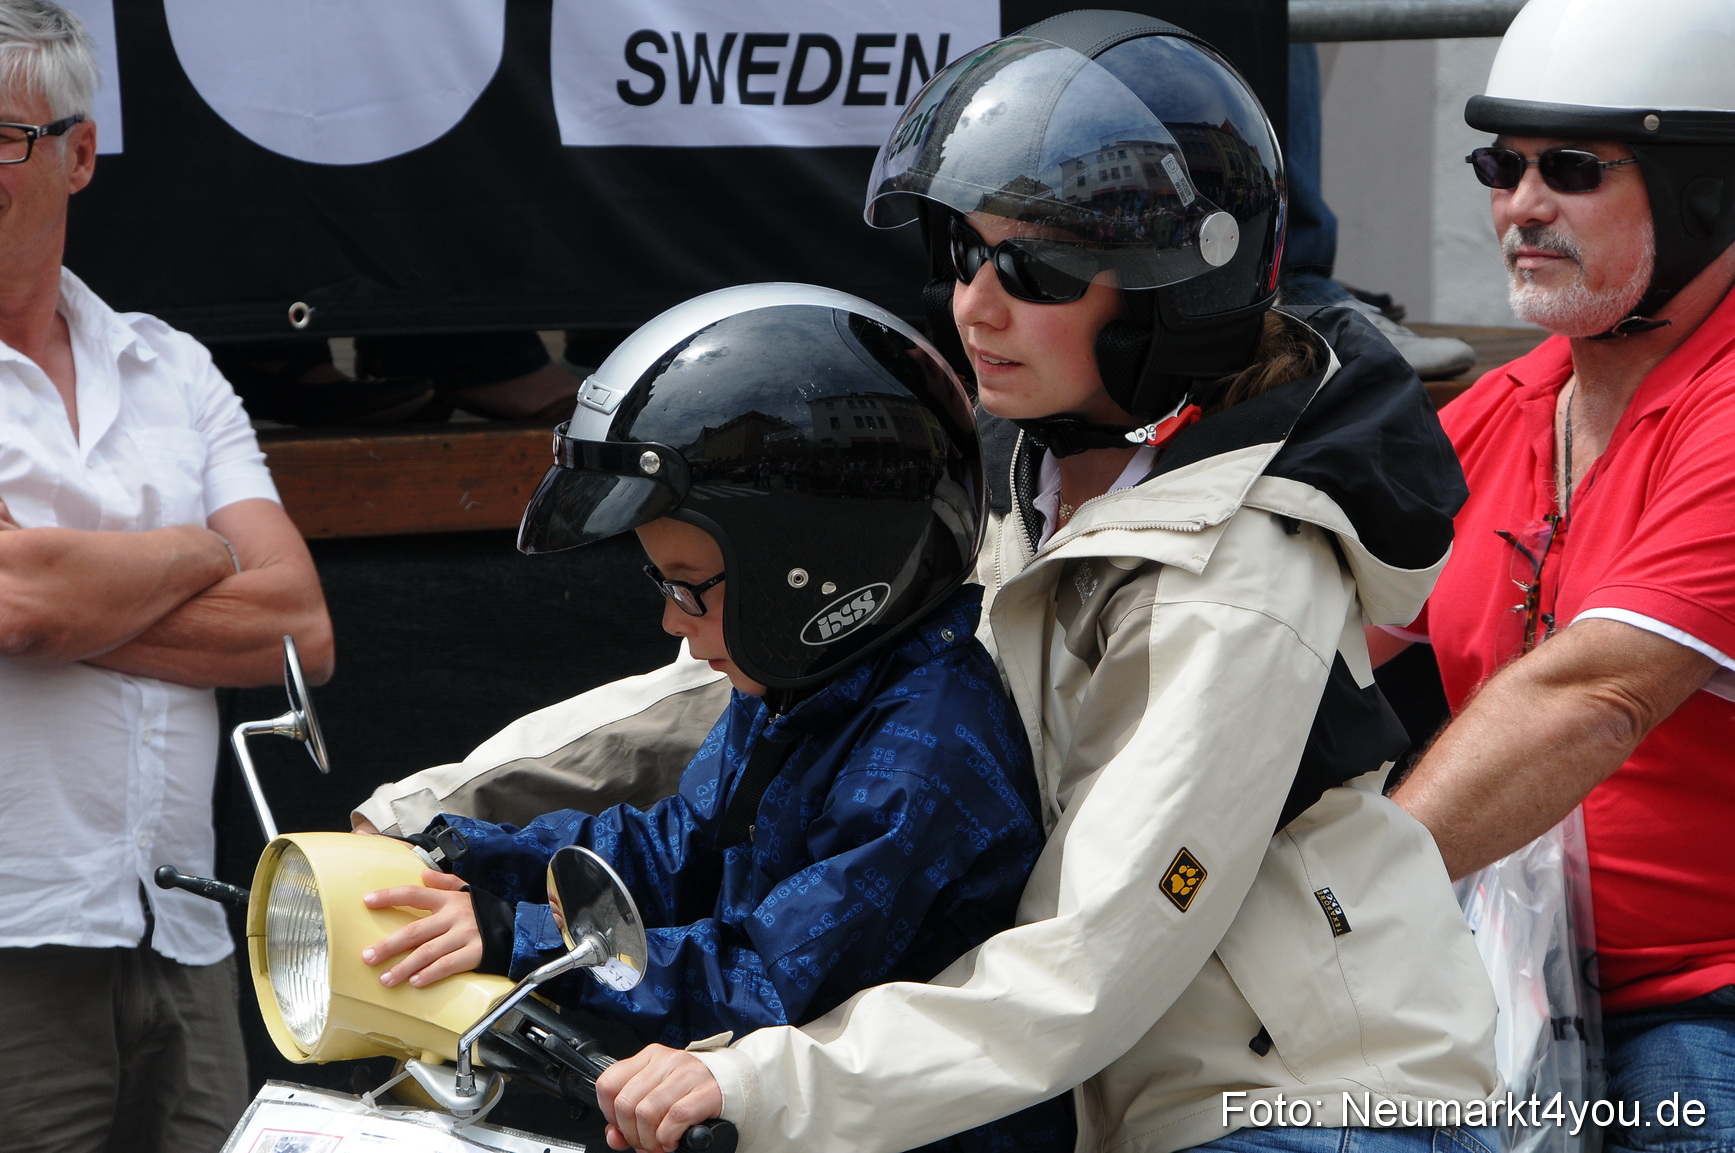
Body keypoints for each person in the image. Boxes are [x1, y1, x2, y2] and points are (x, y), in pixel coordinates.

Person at [588, 13, 1498, 1153]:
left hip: (1307, 1106)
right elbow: (740, 665)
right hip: (1085, 1098)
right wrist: (430, 822)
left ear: (1178, 291)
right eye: (964, 252)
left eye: (1037, 268)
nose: (975, 304)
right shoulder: (1010, 477)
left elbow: (1095, 952)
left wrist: (763, 1080)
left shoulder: (1240, 580)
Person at [356, 283, 1072, 1153]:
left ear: (816, 576)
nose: (672, 621)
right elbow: (674, 850)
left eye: (691, 587)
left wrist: (521, 940)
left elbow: (768, 975)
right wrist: (457, 854)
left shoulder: (925, 757)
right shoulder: (803, 690)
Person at [1372, 1, 1735, 1149]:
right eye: (1502, 164)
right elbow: (1300, 633)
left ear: (1705, 191)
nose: (1521, 205)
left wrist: (1339, 901)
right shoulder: (1503, 408)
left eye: (1570, 168)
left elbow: (1590, 695)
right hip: (1493, 969)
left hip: (1701, 996)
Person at [0, 3, 335, 1151]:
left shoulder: (173, 368)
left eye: (4, 138)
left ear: (79, 154)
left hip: (186, 930)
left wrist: (64, 597)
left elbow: (301, 631)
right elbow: (18, 605)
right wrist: (203, 551)